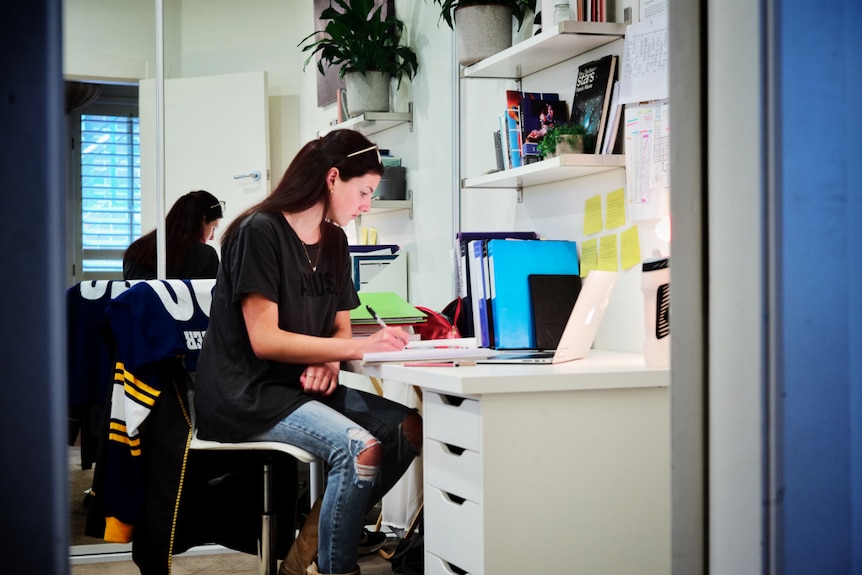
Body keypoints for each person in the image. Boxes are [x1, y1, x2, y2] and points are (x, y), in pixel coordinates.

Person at [193, 129, 423, 575]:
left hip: (298, 384)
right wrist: (353, 346)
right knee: (361, 448)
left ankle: (302, 557)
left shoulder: (335, 242)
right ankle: (336, 568)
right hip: (248, 392)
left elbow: (339, 322)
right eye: (363, 192)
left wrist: (330, 358)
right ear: (332, 178)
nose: (366, 205)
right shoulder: (259, 232)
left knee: (409, 428)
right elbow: (265, 339)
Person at [122, 189, 223, 279]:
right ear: (202, 220)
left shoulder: (136, 250)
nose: (212, 237)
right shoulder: (205, 256)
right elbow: (210, 297)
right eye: (213, 228)